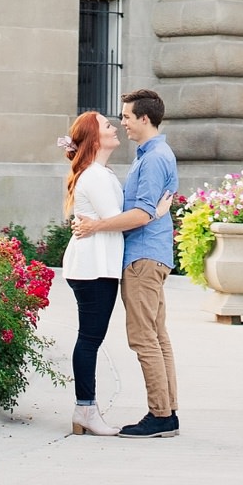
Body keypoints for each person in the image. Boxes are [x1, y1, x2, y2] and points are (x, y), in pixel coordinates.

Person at [71, 87, 180, 437]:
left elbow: (140, 213)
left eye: (127, 117)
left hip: (143, 257)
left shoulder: (153, 158)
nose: (123, 123)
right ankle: (168, 412)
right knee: (156, 336)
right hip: (148, 254)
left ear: (144, 118)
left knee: (143, 338)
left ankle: (160, 415)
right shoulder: (149, 155)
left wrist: (95, 225)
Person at [60, 110, 125, 436]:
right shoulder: (95, 176)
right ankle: (85, 409)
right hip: (93, 267)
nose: (116, 128)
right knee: (89, 340)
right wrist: (154, 212)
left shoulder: (98, 172)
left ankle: (85, 408)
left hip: (93, 265)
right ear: (96, 139)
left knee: (89, 339)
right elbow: (116, 218)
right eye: (108, 126)